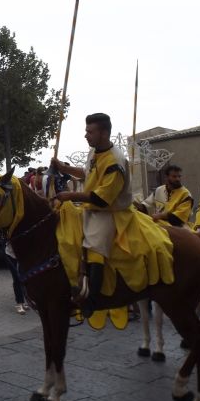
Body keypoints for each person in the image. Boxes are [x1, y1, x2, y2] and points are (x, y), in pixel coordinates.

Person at [51, 113, 133, 317]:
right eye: (86, 131)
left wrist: (70, 195)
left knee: (94, 246)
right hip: (91, 210)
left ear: (104, 133)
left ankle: (92, 300)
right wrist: (63, 168)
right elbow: (88, 173)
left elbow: (102, 199)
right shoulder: (95, 151)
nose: (85, 135)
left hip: (109, 213)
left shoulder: (116, 160)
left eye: (90, 131)